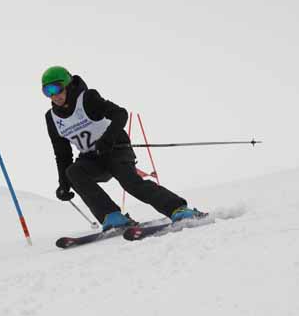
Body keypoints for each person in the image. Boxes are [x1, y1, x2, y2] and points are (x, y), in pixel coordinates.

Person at [42, 66, 201, 231]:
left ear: (68, 85)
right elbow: (62, 154)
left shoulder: (88, 99)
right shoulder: (52, 118)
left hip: (115, 149)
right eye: (47, 91)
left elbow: (120, 114)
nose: (54, 95)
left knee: (130, 183)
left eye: (57, 89)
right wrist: (63, 184)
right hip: (92, 159)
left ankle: (177, 208)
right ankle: (111, 216)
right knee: (73, 172)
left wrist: (107, 139)